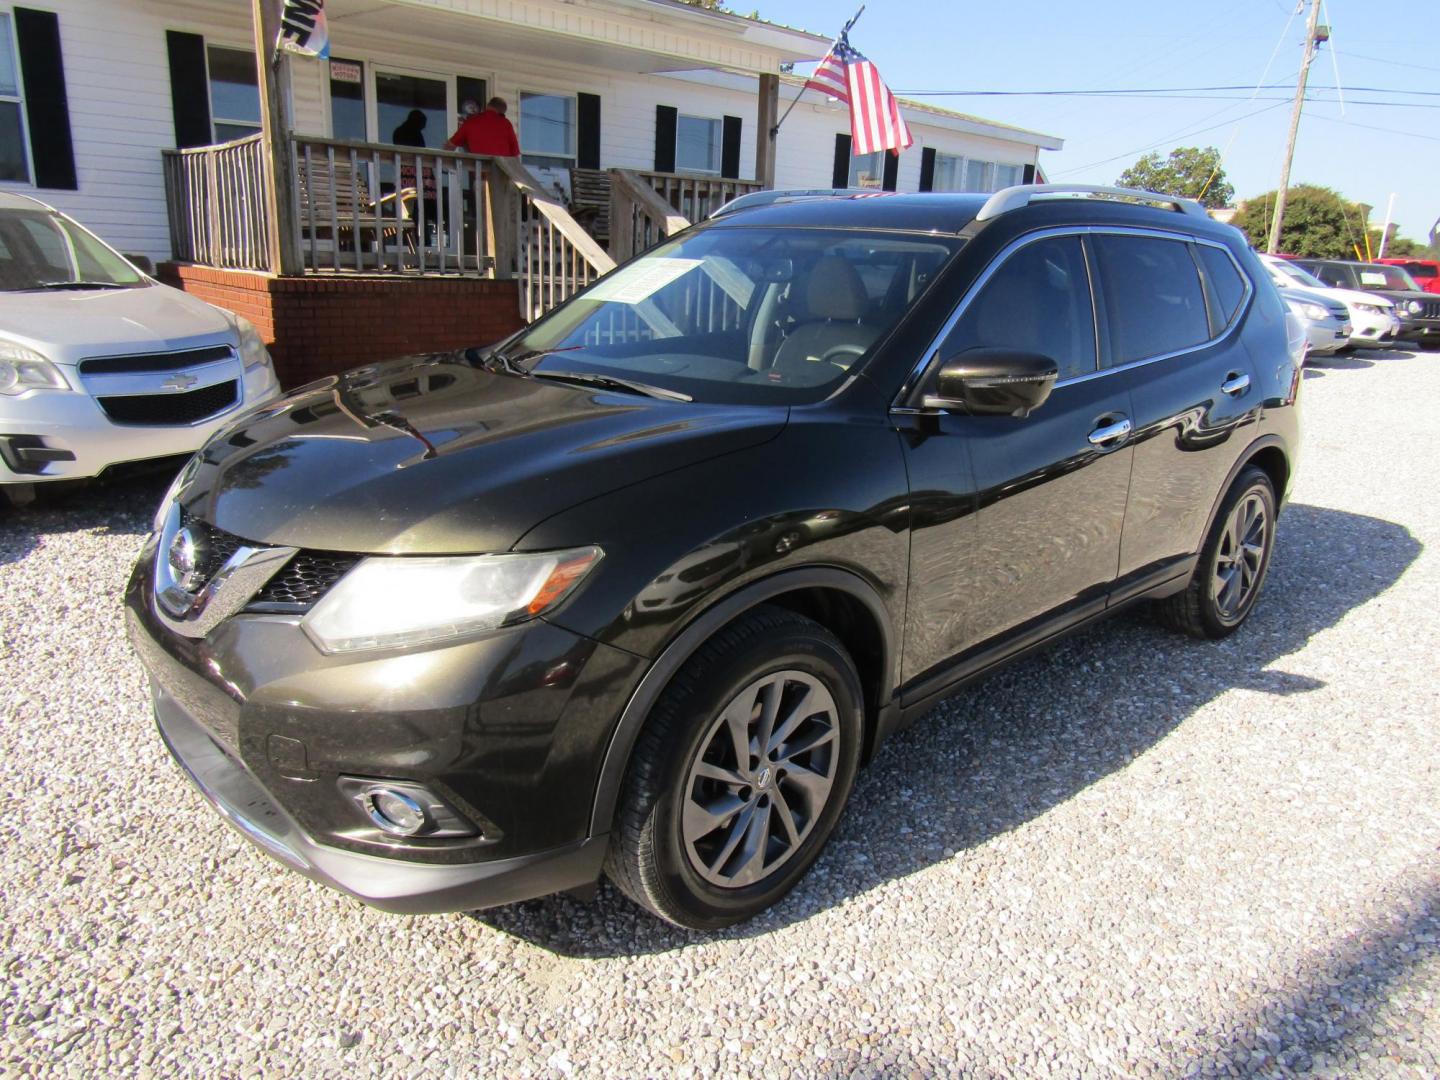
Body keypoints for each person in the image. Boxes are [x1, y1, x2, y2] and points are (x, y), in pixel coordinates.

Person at [445, 96, 520, 157]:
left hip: (480, 171)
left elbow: (450, 145)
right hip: (501, 172)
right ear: (502, 112)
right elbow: (515, 154)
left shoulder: (471, 122)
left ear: (488, 105)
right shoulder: (506, 124)